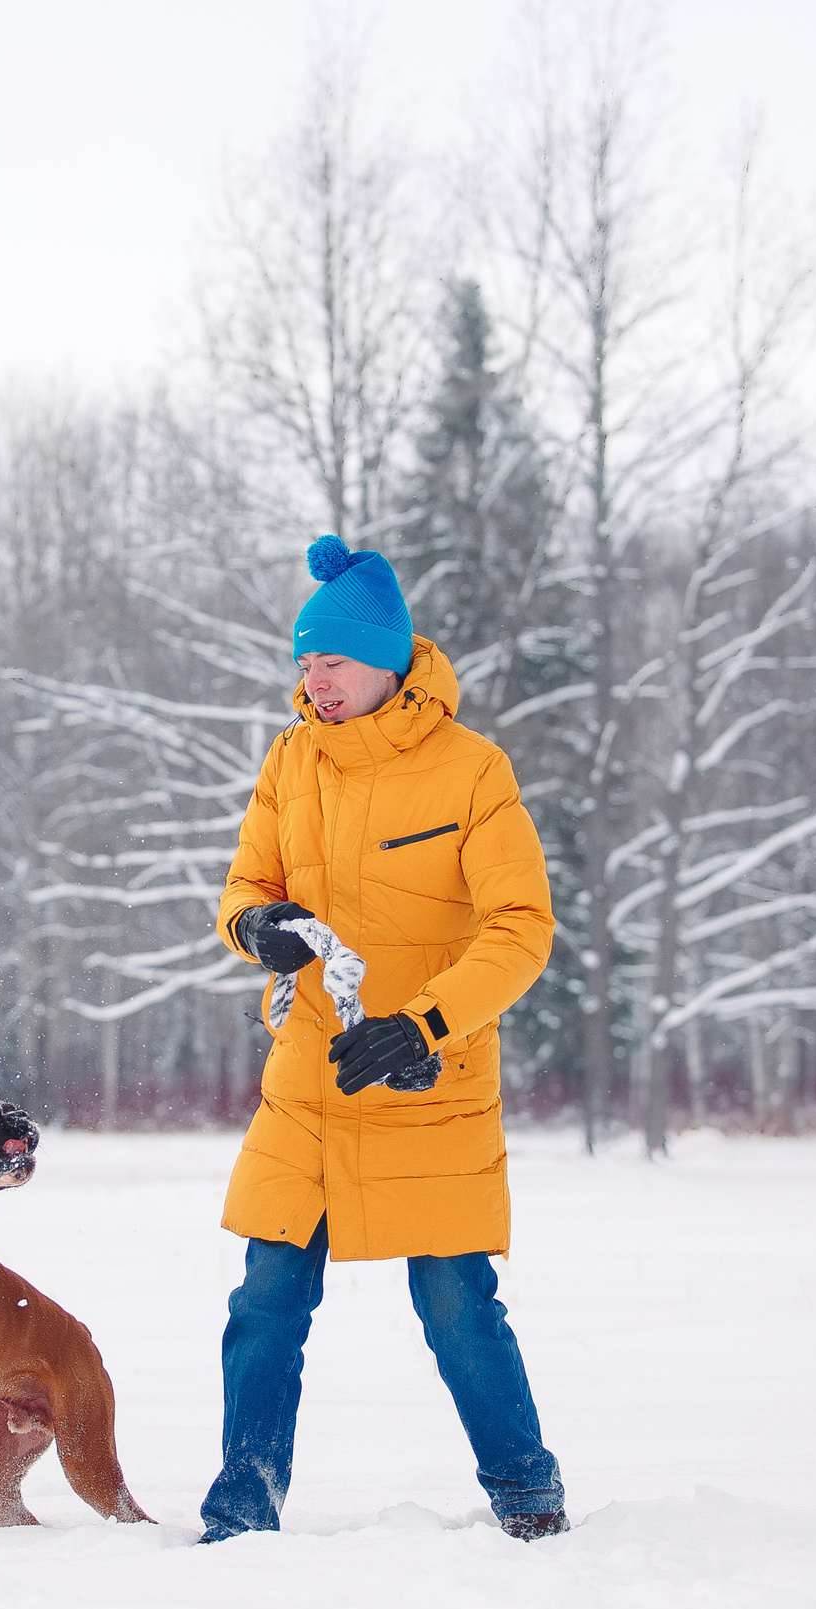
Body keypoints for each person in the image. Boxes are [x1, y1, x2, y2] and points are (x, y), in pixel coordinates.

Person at [198, 533, 568, 1543]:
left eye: (334, 663)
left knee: (456, 1304)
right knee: (266, 1297)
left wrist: (428, 1023)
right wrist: (253, 928)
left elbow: (520, 929)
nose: (315, 682)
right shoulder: (289, 759)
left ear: (390, 661)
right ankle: (243, 1499)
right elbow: (246, 886)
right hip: (310, 1077)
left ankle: (527, 1490)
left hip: (423, 1079)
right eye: (304, 664)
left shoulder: (471, 771)